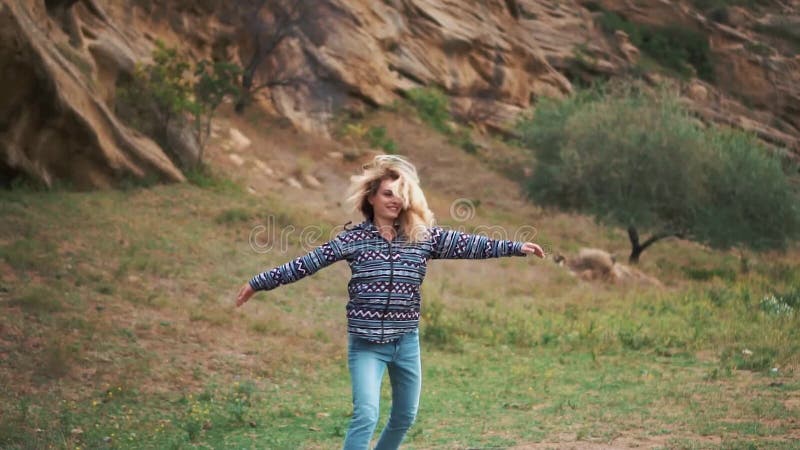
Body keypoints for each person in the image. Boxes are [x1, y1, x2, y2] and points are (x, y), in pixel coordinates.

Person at [236, 154, 545, 450]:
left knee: (404, 417)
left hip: (406, 343)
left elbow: (469, 244)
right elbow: (306, 263)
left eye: (400, 194)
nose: (395, 200)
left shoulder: (421, 238)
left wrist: (515, 246)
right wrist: (258, 282)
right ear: (371, 198)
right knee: (367, 415)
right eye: (387, 193)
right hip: (367, 345)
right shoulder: (352, 240)